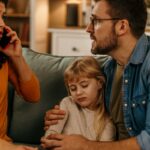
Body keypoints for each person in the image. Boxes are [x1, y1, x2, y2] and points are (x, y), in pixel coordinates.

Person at [44, 0, 150, 149]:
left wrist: (86, 146)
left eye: (96, 21)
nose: (88, 29)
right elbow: (91, 112)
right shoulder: (108, 70)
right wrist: (61, 117)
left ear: (122, 26)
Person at [41, 56, 115, 149]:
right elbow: (50, 136)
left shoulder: (107, 119)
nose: (78, 92)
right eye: (73, 88)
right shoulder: (67, 103)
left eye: (84, 85)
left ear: (99, 83)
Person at [0, 0, 40, 149]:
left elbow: (33, 96)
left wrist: (17, 57)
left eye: (2, 16)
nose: (2, 24)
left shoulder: (2, 60)